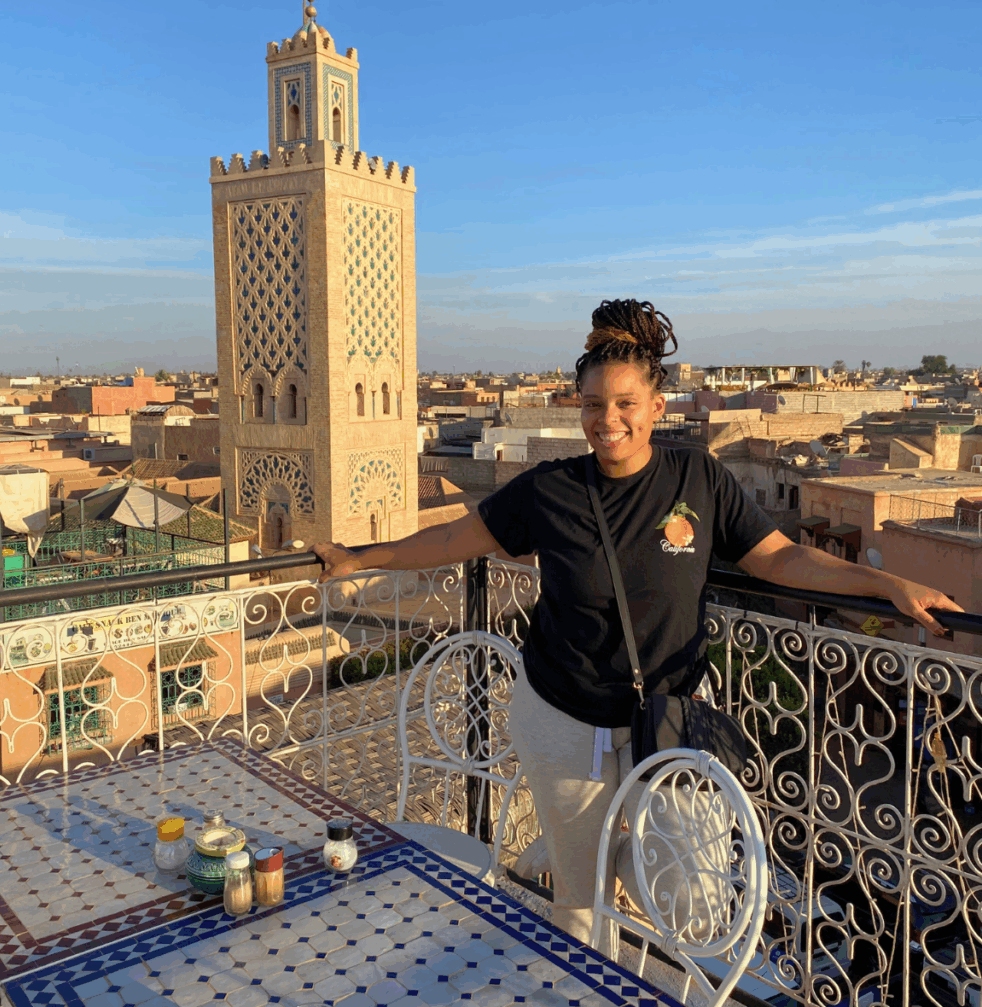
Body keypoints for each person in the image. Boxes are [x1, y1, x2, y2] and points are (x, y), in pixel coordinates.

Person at [313, 298, 963, 949]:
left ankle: (607, 849)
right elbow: (458, 537)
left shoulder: (697, 477)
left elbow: (783, 558)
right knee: (579, 905)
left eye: (626, 403)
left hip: (670, 718)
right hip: (563, 721)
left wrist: (886, 584)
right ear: (579, 409)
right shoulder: (550, 490)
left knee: (694, 898)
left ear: (658, 406)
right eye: (595, 405)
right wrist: (359, 559)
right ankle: (582, 900)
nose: (609, 420)